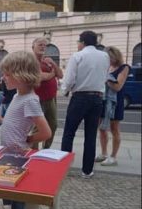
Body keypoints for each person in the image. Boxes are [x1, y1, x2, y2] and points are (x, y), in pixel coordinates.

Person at [0, 51, 52, 209]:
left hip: (19, 157)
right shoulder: (17, 96)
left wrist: (28, 139)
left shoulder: (30, 100)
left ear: (22, 75)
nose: (3, 77)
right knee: (17, 202)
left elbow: (46, 132)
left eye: (7, 73)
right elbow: (13, 122)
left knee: (22, 204)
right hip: (10, 156)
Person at [61, 30, 110, 179]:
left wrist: (65, 91)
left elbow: (69, 79)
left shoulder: (78, 56)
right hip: (97, 98)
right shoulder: (105, 56)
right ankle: (87, 171)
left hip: (80, 97)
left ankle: (64, 168)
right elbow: (105, 76)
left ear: (82, 42)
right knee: (90, 135)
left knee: (69, 133)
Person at [96, 46, 131, 167]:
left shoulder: (124, 67)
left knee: (114, 129)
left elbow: (118, 87)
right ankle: (104, 153)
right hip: (103, 100)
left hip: (115, 102)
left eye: (110, 57)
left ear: (116, 56)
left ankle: (113, 157)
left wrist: (106, 79)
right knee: (102, 128)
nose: (108, 60)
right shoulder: (106, 67)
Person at [30, 37, 62, 149]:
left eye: (45, 45)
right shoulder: (31, 61)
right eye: (40, 44)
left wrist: (53, 63)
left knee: (53, 125)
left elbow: (61, 75)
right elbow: (40, 77)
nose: (43, 47)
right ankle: (33, 150)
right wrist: (53, 74)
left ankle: (46, 148)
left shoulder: (46, 61)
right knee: (37, 127)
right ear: (33, 46)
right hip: (38, 99)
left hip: (51, 98)